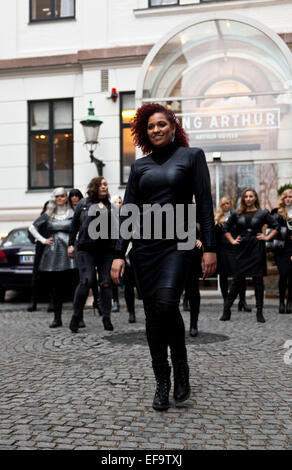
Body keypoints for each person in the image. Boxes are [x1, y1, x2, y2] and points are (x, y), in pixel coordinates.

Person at [111, 103, 216, 411]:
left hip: (179, 242)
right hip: (145, 248)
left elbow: (206, 206)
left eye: (161, 124)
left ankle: (181, 365)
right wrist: (119, 253)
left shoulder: (191, 156)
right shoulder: (139, 166)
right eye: (150, 127)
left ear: (173, 126)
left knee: (168, 302)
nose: (156, 130)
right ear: (144, 132)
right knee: (154, 314)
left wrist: (209, 247)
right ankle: (162, 380)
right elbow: (129, 211)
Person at [220, 188, 279, 323]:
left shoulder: (262, 213)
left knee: (258, 280)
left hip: (256, 247)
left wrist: (267, 237)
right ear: (243, 199)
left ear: (255, 198)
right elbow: (225, 229)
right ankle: (226, 310)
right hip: (241, 248)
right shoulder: (236, 213)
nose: (248, 198)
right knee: (237, 281)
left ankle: (259, 312)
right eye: (246, 196)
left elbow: (276, 225)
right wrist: (232, 240)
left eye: (251, 196)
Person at [68, 177, 115, 333]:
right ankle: (76, 316)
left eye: (105, 185)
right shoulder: (83, 204)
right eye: (101, 185)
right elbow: (74, 226)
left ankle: (106, 317)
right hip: (85, 248)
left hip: (105, 250)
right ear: (94, 187)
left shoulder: (111, 207)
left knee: (106, 282)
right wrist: (70, 244)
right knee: (86, 280)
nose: (104, 187)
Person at [29, 187, 76, 328]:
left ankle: (77, 317)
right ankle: (57, 318)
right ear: (54, 198)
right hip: (53, 252)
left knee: (75, 285)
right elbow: (32, 227)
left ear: (66, 197)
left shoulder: (72, 213)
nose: (60, 198)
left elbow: (79, 228)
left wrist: (74, 243)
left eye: (62, 196)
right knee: (56, 287)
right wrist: (43, 240)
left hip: (70, 251)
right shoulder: (48, 214)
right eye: (57, 196)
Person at [214, 197, 251, 311]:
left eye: (228, 203)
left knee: (240, 275)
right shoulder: (217, 219)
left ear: (231, 204)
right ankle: (226, 301)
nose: (226, 205)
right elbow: (215, 237)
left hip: (236, 249)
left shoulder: (236, 216)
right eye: (224, 204)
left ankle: (242, 301)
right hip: (222, 250)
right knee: (223, 276)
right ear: (221, 205)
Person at [27, 200, 52, 312]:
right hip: (41, 250)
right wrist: (36, 239)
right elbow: (30, 231)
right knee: (36, 277)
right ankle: (33, 302)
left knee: (51, 277)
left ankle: (52, 302)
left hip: (52, 251)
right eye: (47, 208)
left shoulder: (56, 219)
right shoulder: (42, 219)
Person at [271, 189, 292, 313]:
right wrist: (270, 249)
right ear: (282, 199)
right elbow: (271, 230)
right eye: (286, 197)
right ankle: (281, 302)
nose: (288, 199)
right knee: (283, 275)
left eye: (290, 196)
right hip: (281, 249)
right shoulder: (276, 213)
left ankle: (289, 302)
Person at [183, 234, 203, 337]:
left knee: (193, 289)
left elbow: (206, 224)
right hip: (170, 247)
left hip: (191, 250)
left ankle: (193, 324)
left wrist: (202, 240)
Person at [111, 196, 123, 313]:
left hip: (124, 250)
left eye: (120, 202)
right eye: (116, 202)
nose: (118, 204)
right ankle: (115, 301)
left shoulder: (126, 216)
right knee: (113, 277)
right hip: (112, 250)